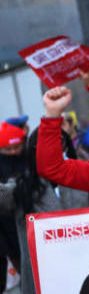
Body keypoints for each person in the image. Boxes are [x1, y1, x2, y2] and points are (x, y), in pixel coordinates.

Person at [0, 129, 89, 294]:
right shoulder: (23, 186)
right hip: (45, 277)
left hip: (87, 267)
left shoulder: (86, 176)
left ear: (66, 147)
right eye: (43, 145)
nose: (52, 149)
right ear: (33, 151)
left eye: (59, 143)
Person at [0, 123, 25, 291]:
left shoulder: (29, 157)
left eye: (17, 147)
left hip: (28, 218)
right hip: (6, 224)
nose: (13, 152)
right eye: (8, 149)